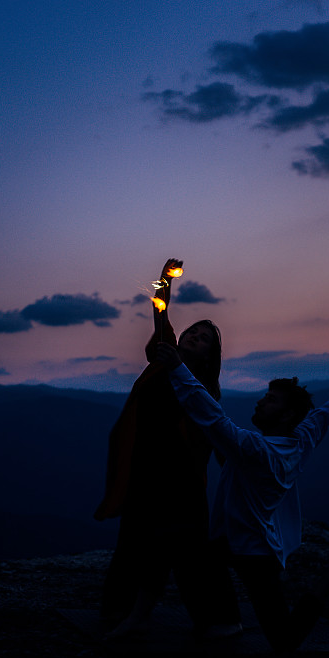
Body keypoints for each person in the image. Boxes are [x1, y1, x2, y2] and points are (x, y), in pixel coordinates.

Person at [156, 341, 329, 652]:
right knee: (189, 552)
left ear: (287, 414)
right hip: (234, 538)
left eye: (271, 400)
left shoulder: (257, 449)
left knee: (284, 640)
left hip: (254, 550)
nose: (261, 402)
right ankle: (222, 621)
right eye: (265, 396)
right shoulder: (301, 439)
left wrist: (176, 368)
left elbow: (211, 415)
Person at [94, 259, 229, 637]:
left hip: (180, 477)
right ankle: (117, 615)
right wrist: (166, 280)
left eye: (204, 339)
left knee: (184, 550)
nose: (194, 338)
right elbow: (161, 315)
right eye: (193, 332)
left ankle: (212, 620)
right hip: (145, 468)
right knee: (133, 542)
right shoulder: (161, 359)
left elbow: (212, 434)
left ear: (208, 356)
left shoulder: (204, 388)